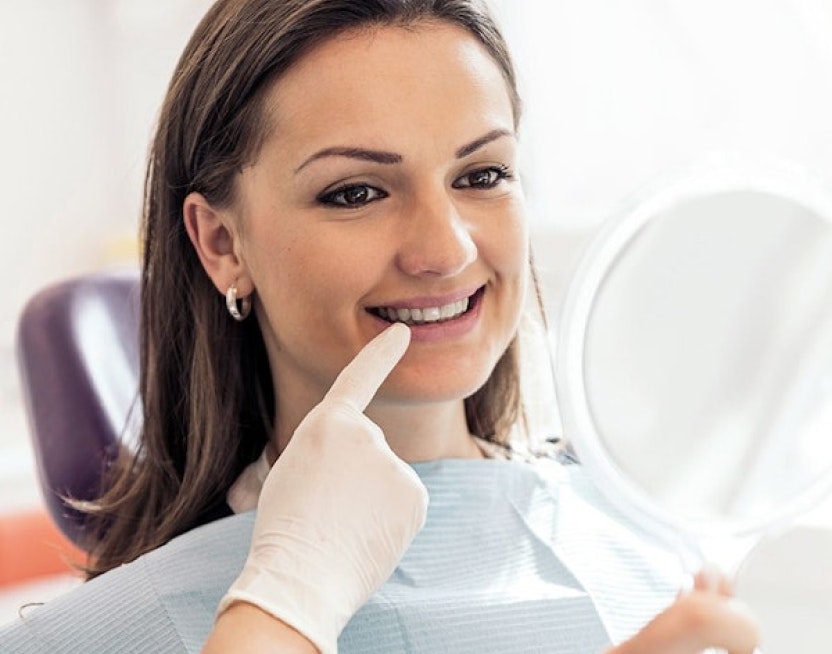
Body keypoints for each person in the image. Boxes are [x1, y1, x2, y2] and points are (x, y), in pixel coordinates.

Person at [1, 0, 759, 652]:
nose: (447, 251)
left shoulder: (664, 556)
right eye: (356, 192)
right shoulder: (95, 634)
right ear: (223, 243)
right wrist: (290, 594)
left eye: (482, 175)